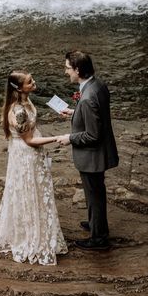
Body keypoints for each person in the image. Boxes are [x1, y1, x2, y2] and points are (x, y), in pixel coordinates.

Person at [0, 70, 68, 265]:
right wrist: (57, 138)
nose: (34, 82)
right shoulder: (19, 111)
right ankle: (30, 236)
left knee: (31, 191)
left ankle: (32, 228)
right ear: (19, 88)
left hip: (25, 151)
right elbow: (30, 140)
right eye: (30, 82)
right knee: (28, 191)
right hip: (26, 155)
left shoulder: (26, 101)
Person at [55, 50, 119, 251]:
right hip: (99, 154)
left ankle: (99, 238)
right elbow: (96, 114)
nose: (66, 72)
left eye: (67, 68)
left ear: (78, 69)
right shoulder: (97, 85)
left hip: (93, 157)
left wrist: (69, 138)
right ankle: (95, 224)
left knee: (94, 195)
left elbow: (92, 135)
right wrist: (76, 113)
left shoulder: (87, 97)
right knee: (96, 194)